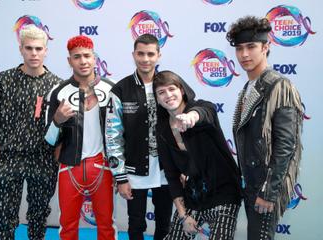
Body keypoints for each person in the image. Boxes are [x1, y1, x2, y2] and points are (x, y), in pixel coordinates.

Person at [226, 16, 304, 239]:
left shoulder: (279, 86)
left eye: (251, 47)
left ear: (266, 47)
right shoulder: (250, 86)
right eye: (239, 48)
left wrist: (268, 193)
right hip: (251, 183)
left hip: (265, 186)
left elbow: (286, 146)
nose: (244, 54)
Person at [0, 24, 62, 240]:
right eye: (29, 48)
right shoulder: (3, 81)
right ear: (21, 49)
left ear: (46, 50)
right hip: (8, 158)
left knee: (38, 218)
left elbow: (62, 127)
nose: (34, 53)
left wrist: (54, 160)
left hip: (43, 159)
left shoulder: (57, 86)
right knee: (4, 218)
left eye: (38, 48)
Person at [153, 70, 242, 240]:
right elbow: (172, 176)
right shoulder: (162, 130)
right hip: (193, 196)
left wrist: (190, 117)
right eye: (161, 92)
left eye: (172, 89)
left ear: (182, 90)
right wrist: (183, 216)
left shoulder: (201, 107)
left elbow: (205, 111)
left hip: (224, 192)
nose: (168, 95)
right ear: (157, 98)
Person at [44, 35, 116, 240]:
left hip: (102, 166)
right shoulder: (58, 92)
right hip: (69, 166)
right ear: (69, 61)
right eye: (77, 57)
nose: (83, 61)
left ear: (94, 58)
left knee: (106, 225)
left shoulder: (112, 89)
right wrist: (57, 119)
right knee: (67, 225)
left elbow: (121, 135)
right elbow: (49, 140)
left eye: (87, 56)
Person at [105, 34, 173, 240]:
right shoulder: (120, 90)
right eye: (141, 54)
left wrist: (184, 167)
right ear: (133, 55)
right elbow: (112, 137)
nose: (146, 59)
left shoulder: (171, 85)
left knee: (164, 223)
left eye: (151, 54)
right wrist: (120, 177)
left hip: (166, 169)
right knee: (135, 225)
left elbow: (188, 121)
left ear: (159, 55)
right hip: (134, 171)